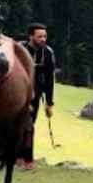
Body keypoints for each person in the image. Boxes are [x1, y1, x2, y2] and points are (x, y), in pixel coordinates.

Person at [18, 23, 55, 170]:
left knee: (29, 125)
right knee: (17, 124)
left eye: (45, 36)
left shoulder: (48, 53)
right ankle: (20, 157)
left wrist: (49, 103)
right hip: (17, 93)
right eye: (39, 36)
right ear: (31, 36)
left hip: (36, 94)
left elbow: (50, 79)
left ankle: (26, 158)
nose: (43, 39)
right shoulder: (20, 50)